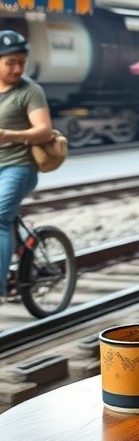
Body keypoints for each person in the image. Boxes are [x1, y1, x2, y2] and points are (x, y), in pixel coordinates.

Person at [0, 30, 54, 275]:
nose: (17, 69)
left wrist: (11, 135)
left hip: (18, 166)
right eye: (10, 63)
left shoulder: (30, 91)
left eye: (22, 62)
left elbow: (44, 132)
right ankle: (18, 259)